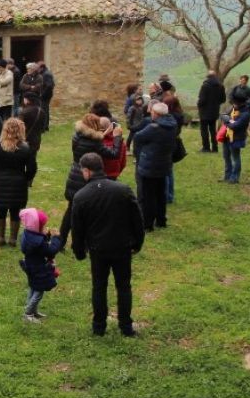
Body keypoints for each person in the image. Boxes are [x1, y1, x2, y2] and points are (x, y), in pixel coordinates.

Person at [71, 152, 145, 337]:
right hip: (122, 246)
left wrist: (79, 251)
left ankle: (99, 327)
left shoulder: (81, 196)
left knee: (99, 286)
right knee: (124, 286)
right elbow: (137, 219)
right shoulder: (123, 190)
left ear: (87, 171)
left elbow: (77, 228)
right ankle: (126, 326)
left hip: (98, 249)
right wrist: (137, 242)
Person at [60, 113, 124, 240]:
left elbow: (92, 140)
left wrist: (104, 133)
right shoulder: (95, 143)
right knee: (87, 212)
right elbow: (114, 154)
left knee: (70, 210)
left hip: (74, 174)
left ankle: (61, 240)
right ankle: (81, 242)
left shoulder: (77, 136)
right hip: (85, 179)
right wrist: (117, 137)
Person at [0, 118, 37, 247]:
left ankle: (1, 237)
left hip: (0, 181)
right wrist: (26, 178)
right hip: (18, 182)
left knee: (1, 210)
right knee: (15, 211)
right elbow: (32, 168)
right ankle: (13, 238)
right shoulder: (25, 148)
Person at [132, 102, 177, 230]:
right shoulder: (172, 125)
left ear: (156, 114)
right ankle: (161, 220)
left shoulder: (154, 128)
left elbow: (138, 136)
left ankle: (147, 224)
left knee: (148, 196)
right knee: (160, 194)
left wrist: (139, 152)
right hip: (164, 164)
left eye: (152, 112)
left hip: (149, 165)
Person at [18, 208, 63, 323]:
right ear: (36, 226)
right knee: (39, 291)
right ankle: (28, 314)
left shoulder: (28, 235)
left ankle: (33, 310)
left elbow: (40, 247)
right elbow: (50, 251)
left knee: (33, 287)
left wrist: (45, 236)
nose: (44, 228)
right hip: (38, 268)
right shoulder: (37, 242)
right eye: (42, 226)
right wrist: (56, 238)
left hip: (30, 266)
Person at [220, 96, 250, 184]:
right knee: (226, 156)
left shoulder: (246, 114)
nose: (233, 105)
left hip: (236, 138)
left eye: (235, 103)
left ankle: (235, 177)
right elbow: (223, 115)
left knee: (235, 158)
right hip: (227, 136)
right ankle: (227, 176)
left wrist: (228, 121)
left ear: (240, 103)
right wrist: (229, 121)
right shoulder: (233, 108)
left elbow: (236, 126)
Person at [196, 71, 226, 153]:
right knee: (213, 130)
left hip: (204, 111)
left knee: (204, 130)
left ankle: (206, 148)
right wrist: (216, 104)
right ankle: (215, 148)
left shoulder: (205, 86)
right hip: (215, 111)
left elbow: (202, 100)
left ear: (207, 77)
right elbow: (223, 99)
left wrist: (199, 105)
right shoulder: (220, 86)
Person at [39, 61, 55, 131]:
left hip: (46, 96)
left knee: (44, 110)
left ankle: (44, 127)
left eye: (38, 68)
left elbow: (49, 85)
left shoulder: (47, 74)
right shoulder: (45, 73)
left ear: (42, 68)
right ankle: (45, 126)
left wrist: (42, 94)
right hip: (46, 95)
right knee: (45, 110)